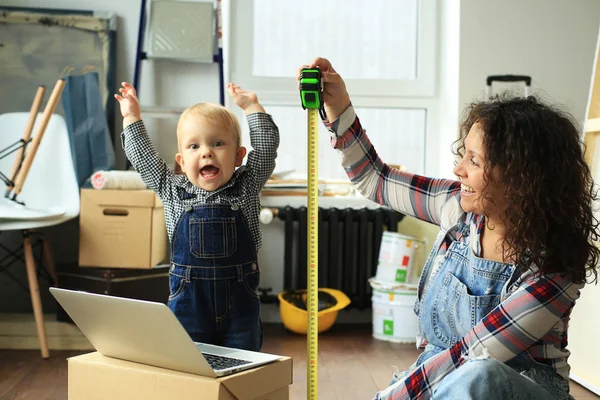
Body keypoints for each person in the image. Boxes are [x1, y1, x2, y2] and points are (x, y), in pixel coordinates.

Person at [298, 58, 600, 399]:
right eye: (463, 155)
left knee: (481, 376)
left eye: (474, 160)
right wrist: (339, 109)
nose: (458, 169)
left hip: (517, 388)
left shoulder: (553, 266)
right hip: (446, 384)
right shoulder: (456, 207)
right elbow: (375, 179)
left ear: (520, 178)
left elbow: (477, 354)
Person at [114, 82, 280, 351]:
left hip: (240, 311)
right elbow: (141, 156)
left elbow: (266, 148)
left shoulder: (247, 184)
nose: (206, 152)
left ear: (238, 156)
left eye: (217, 143)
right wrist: (131, 116)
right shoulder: (171, 188)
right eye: (194, 146)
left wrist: (252, 107)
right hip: (188, 308)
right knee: (191, 368)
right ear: (180, 161)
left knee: (243, 367)